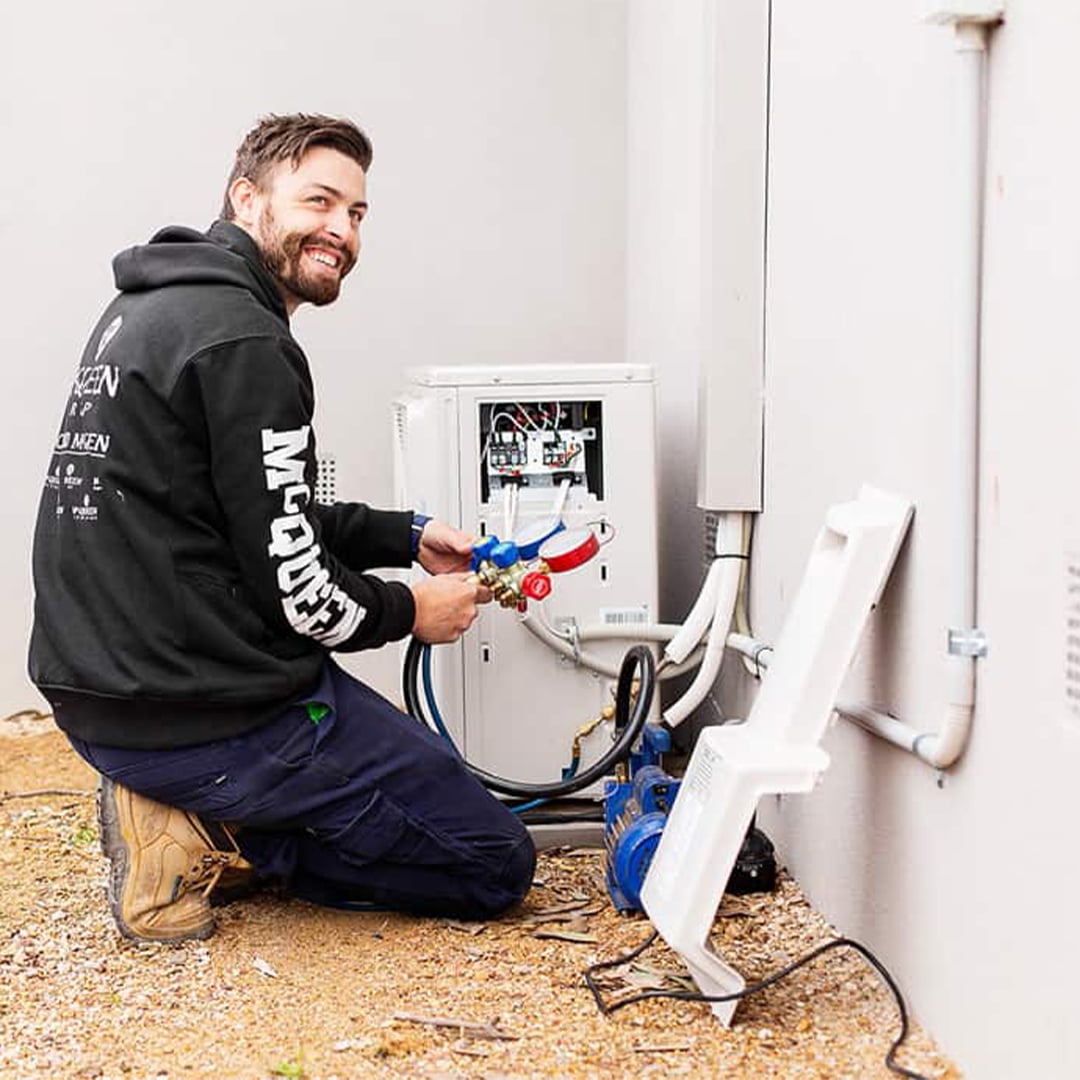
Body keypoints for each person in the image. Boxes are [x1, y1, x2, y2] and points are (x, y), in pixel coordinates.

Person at [28, 113, 535, 944]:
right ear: (246, 198)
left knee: (408, 786)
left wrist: (403, 534)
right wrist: (412, 610)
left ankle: (193, 799)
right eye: (319, 202)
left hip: (109, 693)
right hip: (206, 712)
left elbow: (242, 511)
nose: (342, 230)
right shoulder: (245, 340)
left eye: (357, 213)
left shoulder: (148, 308)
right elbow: (300, 593)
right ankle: (213, 826)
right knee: (492, 861)